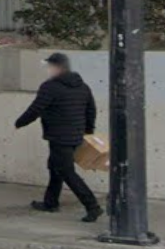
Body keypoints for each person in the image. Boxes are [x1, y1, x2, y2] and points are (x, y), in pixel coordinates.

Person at [15, 52, 103, 222]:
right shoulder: (82, 86)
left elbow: (36, 109)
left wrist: (19, 123)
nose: (48, 70)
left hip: (59, 136)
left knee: (66, 171)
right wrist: (87, 132)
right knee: (55, 167)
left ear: (57, 67)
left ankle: (92, 206)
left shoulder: (50, 87)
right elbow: (91, 110)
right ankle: (50, 202)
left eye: (50, 66)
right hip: (76, 135)